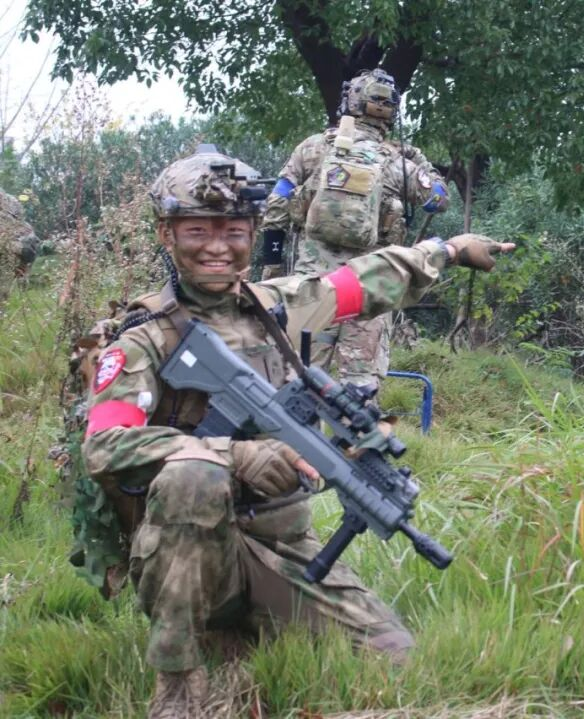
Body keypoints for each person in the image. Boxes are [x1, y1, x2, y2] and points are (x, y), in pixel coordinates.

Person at [81, 147, 511, 718]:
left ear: (253, 233)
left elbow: (363, 280)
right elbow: (105, 446)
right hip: (192, 557)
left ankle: (246, 626)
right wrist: (232, 455)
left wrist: (449, 250)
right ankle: (179, 681)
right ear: (167, 234)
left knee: (394, 657)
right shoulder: (142, 340)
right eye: (198, 230)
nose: (217, 246)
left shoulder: (277, 308)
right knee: (193, 475)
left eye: (234, 231)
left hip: (283, 546)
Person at [260, 68, 450, 387]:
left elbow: (277, 204)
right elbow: (438, 200)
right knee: (360, 389)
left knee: (298, 382)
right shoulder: (398, 163)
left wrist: (272, 266)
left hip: (312, 287)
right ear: (392, 110)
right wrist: (420, 163)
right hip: (370, 287)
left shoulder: (313, 148)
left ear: (350, 101)